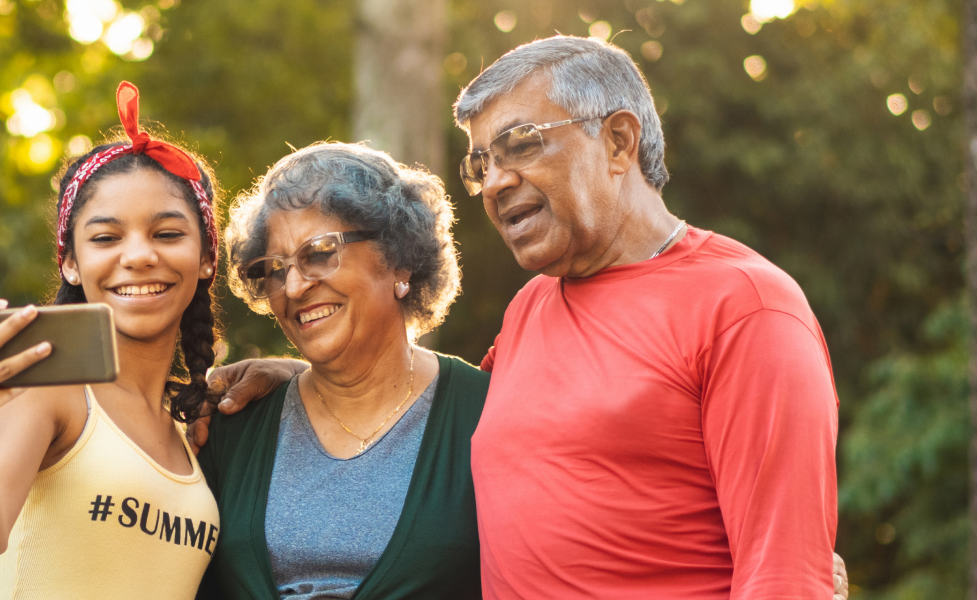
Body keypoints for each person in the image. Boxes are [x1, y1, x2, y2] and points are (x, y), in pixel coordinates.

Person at [205, 36, 842, 599]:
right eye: (481, 163)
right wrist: (297, 374)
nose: (494, 182)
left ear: (618, 141)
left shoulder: (746, 309)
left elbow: (786, 577)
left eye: (520, 145)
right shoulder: (532, 309)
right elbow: (417, 401)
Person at [0, 81, 223, 599]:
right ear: (70, 261)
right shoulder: (54, 392)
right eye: (106, 238)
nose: (137, 256)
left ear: (207, 257)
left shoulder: (189, 425)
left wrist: (287, 371)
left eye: (167, 234)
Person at [194, 143, 484, 600]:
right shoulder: (234, 426)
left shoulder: (484, 413)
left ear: (400, 259)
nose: (293, 286)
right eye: (275, 268)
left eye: (319, 252)